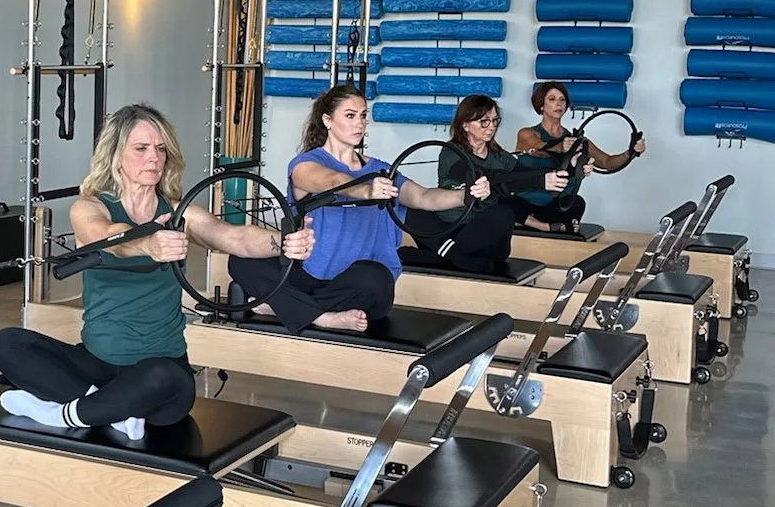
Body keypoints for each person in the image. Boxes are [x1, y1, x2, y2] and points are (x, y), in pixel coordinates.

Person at [0, 102, 315, 436]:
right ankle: (110, 408)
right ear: (116, 154)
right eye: (142, 148)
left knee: (168, 378)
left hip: (158, 372)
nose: (155, 158)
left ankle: (68, 414)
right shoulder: (90, 207)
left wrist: (282, 241)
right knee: (9, 344)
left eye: (160, 149)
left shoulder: (178, 213)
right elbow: (105, 238)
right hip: (97, 364)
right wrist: (147, 244)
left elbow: (234, 237)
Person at [228, 83, 490, 331]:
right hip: (308, 276)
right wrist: (366, 190)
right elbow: (330, 181)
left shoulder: (382, 170)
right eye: (350, 115)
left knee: (377, 278)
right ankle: (323, 317)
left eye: (363, 116)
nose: (360, 123)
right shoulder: (305, 164)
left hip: (359, 286)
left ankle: (285, 306)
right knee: (241, 259)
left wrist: (465, 196)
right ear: (327, 120)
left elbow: (423, 197)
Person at [431, 94, 572, 260]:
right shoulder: (451, 152)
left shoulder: (497, 154)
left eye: (494, 120)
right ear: (465, 125)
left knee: (509, 209)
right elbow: (484, 176)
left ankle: (452, 257)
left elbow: (522, 172)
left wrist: (571, 166)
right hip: (456, 227)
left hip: (485, 226)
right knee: (503, 212)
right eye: (484, 121)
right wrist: (539, 180)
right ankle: (449, 255)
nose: (491, 127)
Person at [513, 82, 645, 230]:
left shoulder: (575, 140)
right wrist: (560, 147)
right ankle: (540, 225)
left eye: (562, 100)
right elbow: (538, 148)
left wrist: (631, 152)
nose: (559, 103)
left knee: (577, 202)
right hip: (525, 204)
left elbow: (607, 162)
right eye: (552, 99)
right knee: (504, 200)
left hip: (554, 206)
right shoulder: (527, 133)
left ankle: (551, 225)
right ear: (541, 105)